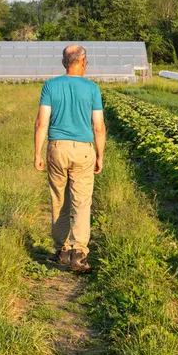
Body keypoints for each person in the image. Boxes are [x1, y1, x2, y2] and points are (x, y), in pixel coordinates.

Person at [34, 44, 105, 273]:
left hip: (56, 148)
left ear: (64, 62)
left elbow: (41, 122)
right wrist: (100, 155)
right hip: (83, 150)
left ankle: (62, 251)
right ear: (82, 61)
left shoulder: (50, 86)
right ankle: (79, 254)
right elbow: (99, 126)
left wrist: (37, 152)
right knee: (81, 202)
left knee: (58, 200)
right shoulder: (92, 89)